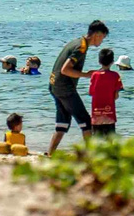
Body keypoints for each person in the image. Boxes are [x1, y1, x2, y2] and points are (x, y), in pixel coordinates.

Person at [45, 21, 107, 154]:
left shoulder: (77, 42)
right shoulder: (81, 47)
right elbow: (65, 70)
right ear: (97, 34)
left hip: (54, 85)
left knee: (62, 123)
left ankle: (50, 153)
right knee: (86, 122)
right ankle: (91, 156)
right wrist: (86, 75)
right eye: (103, 37)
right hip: (65, 88)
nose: (102, 41)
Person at [85, 46, 124, 138]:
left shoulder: (94, 75)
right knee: (110, 140)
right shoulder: (115, 75)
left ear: (99, 61)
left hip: (96, 114)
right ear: (112, 62)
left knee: (97, 139)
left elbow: (91, 93)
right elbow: (116, 96)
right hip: (109, 114)